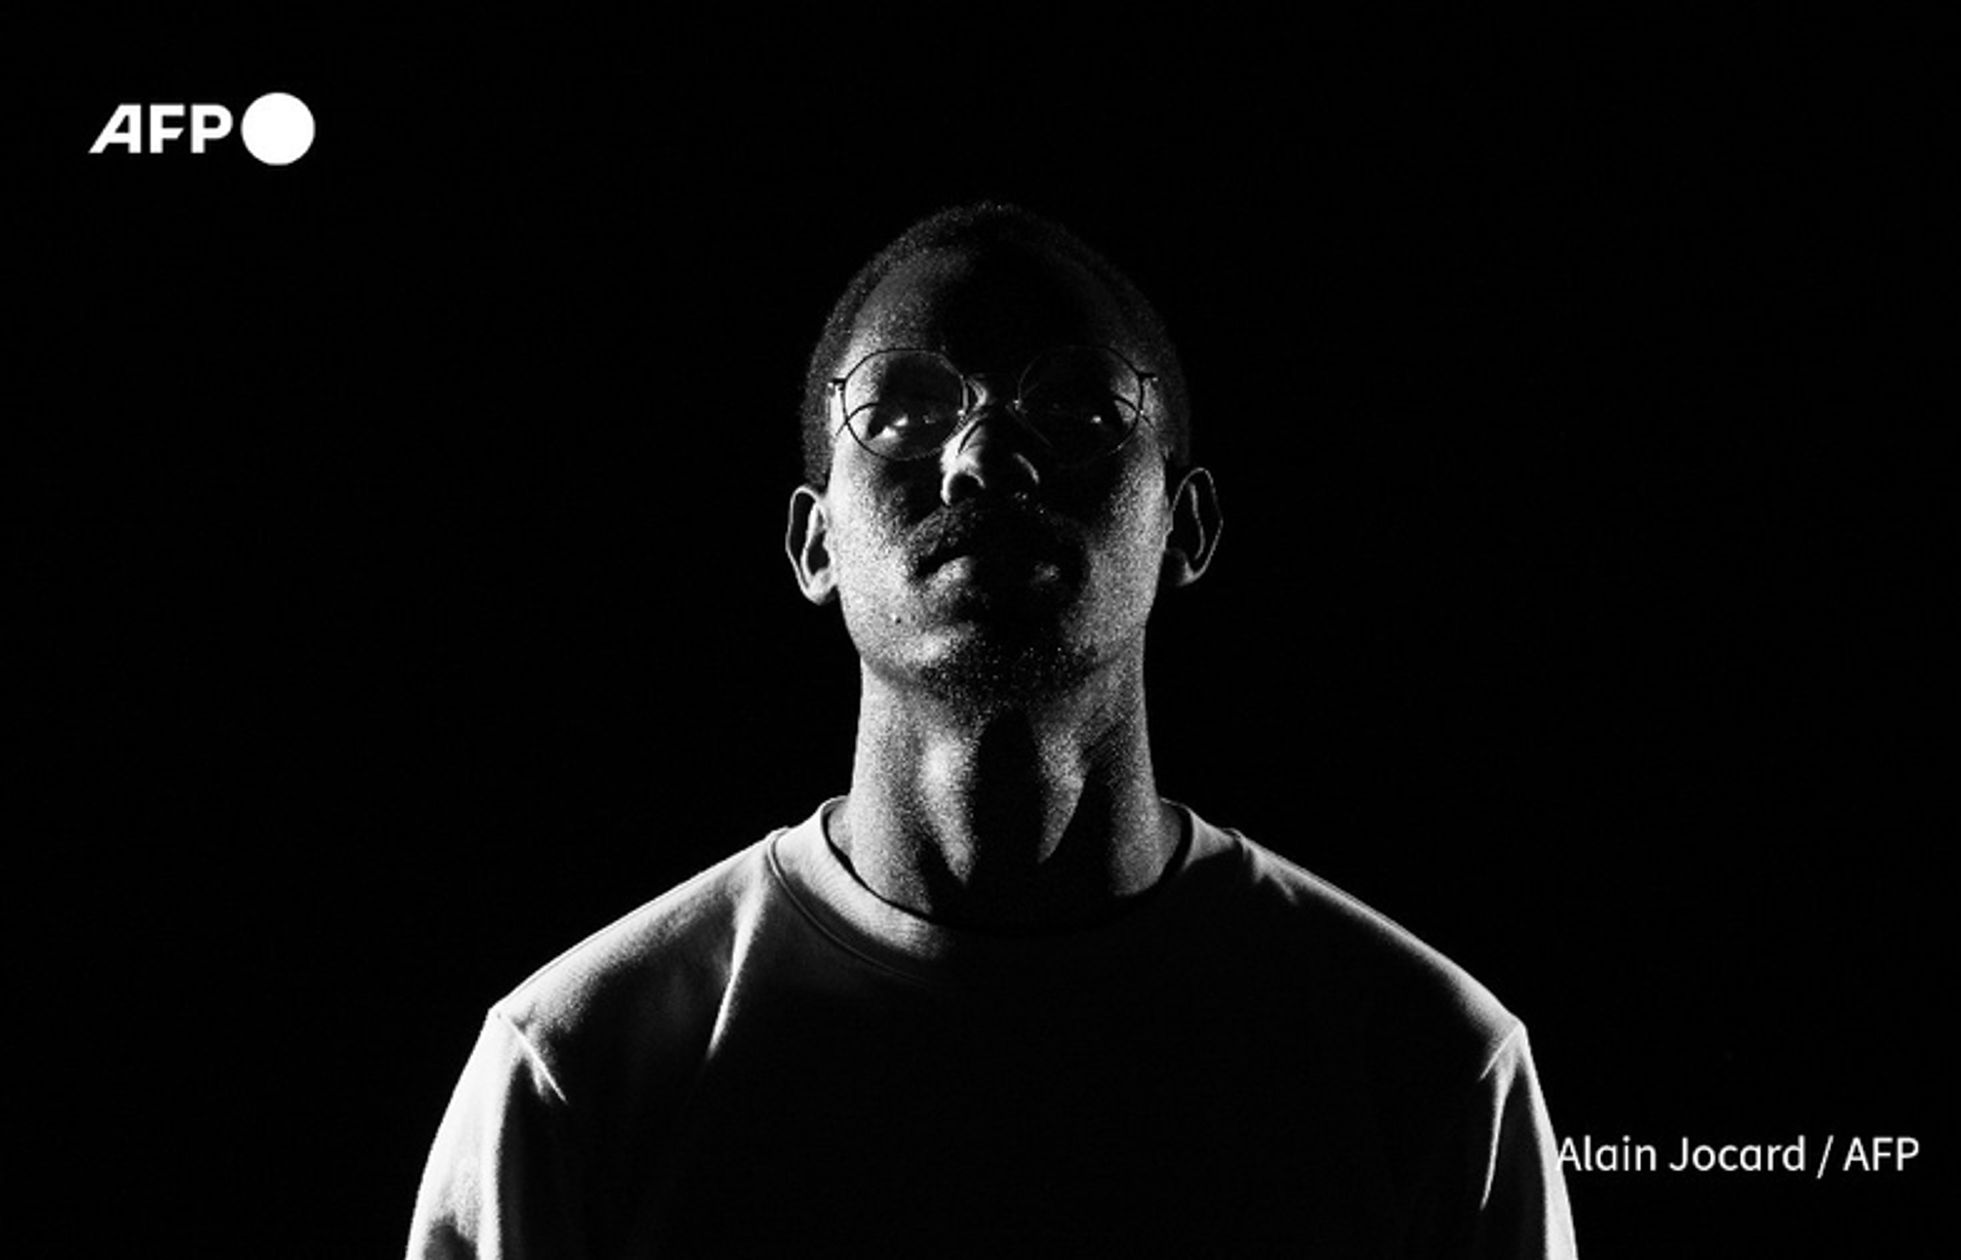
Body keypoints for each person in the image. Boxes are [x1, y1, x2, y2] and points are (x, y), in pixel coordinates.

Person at [406, 204, 1578, 1258]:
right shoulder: (575, 1072)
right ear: (815, 545)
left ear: (1186, 525)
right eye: (903, 412)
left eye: (1074, 410)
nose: (984, 458)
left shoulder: (1427, 1070)